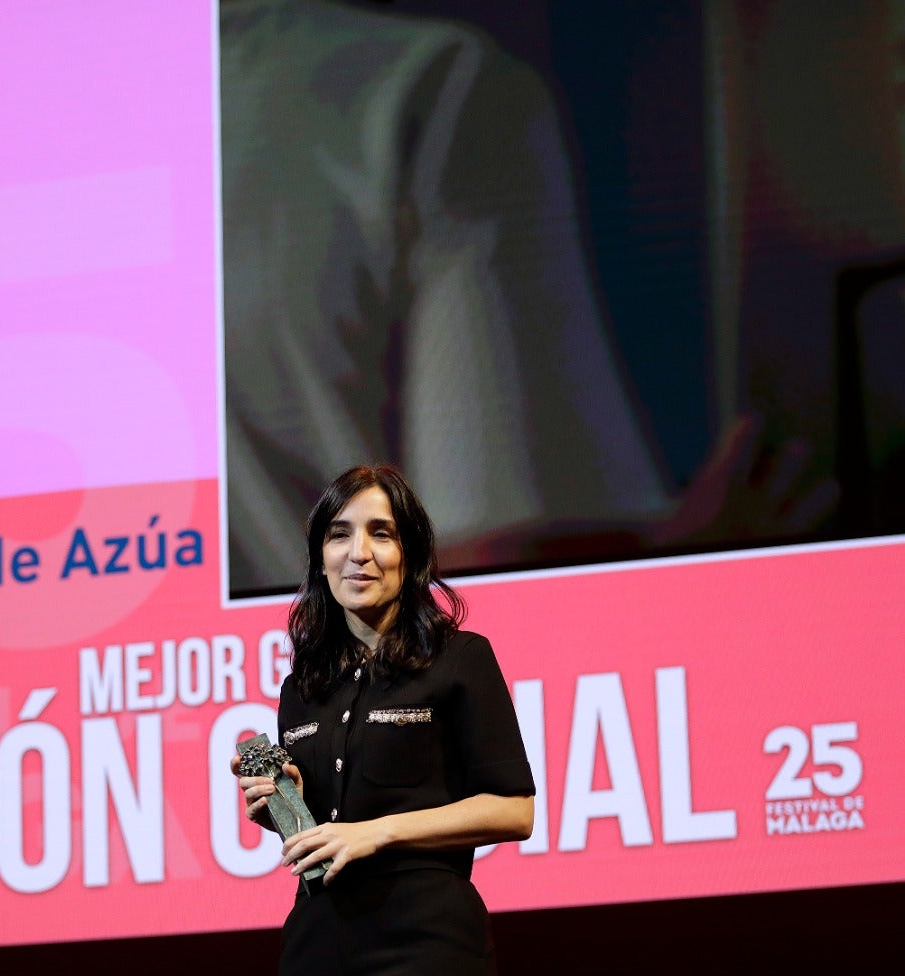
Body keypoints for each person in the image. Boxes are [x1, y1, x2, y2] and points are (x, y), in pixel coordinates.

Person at [222, 0, 832, 595]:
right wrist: (693, 563)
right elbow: (507, 564)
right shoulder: (424, 93)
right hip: (384, 693)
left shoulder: (137, 103)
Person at [231, 465, 534, 976]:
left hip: (425, 943)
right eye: (339, 534)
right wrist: (278, 805)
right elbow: (327, 826)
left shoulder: (461, 659)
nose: (358, 554)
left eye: (381, 534)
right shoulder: (303, 687)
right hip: (317, 947)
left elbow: (514, 808)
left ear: (410, 553)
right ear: (320, 557)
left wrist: (378, 832)